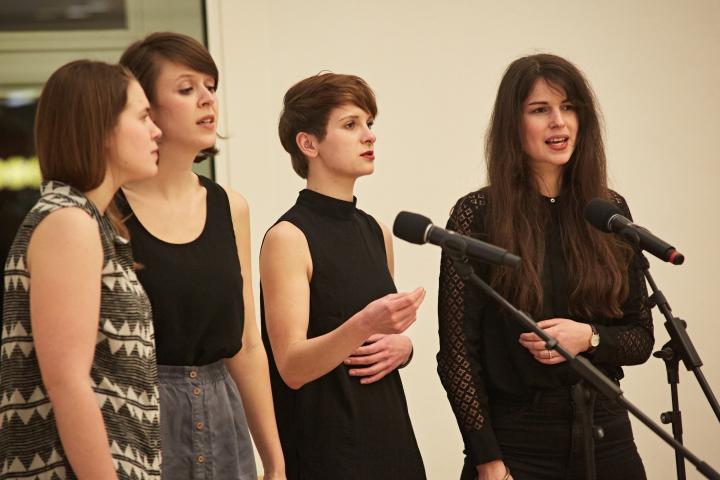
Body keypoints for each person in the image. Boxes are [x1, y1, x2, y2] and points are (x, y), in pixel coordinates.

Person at [437, 53, 654, 480]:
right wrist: (487, 457)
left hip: (606, 431)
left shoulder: (608, 211)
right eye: (540, 110)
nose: (559, 121)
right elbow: (458, 354)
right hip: (517, 442)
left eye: (569, 107)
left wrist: (588, 337)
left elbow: (641, 337)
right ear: (512, 124)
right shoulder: (477, 215)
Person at [118, 32, 285, 479]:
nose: (207, 100)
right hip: (139, 421)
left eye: (211, 87)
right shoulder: (105, 210)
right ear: (143, 107)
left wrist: (275, 460)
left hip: (223, 417)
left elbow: (247, 344)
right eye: (187, 88)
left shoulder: (231, 206)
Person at [260, 72, 427, 479]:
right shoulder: (288, 237)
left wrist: (403, 349)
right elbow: (291, 366)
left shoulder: (377, 231)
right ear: (308, 143)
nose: (368, 136)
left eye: (370, 124)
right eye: (351, 125)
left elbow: (377, 341)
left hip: (391, 440)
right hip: (327, 449)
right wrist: (366, 322)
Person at [0, 60, 162, 479]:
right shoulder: (68, 222)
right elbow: (68, 383)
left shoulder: (87, 220)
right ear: (103, 128)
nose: (156, 130)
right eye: (143, 116)